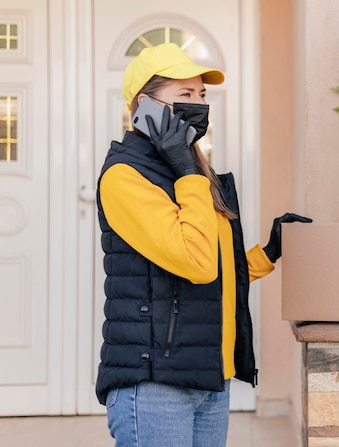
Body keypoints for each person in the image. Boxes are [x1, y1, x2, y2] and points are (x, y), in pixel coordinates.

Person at [95, 42, 311, 447]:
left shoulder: (192, 172)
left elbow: (217, 265)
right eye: (184, 95)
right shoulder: (125, 177)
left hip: (208, 375)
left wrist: (270, 251)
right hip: (157, 381)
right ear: (145, 105)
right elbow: (197, 263)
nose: (198, 105)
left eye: (202, 95)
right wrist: (185, 171)